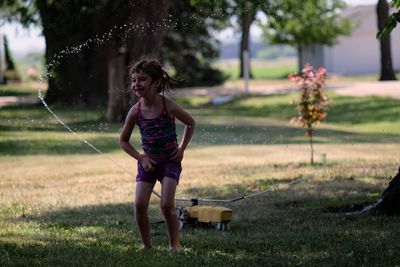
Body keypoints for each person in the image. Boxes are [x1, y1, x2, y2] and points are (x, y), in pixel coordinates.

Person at [119, 58, 196, 252]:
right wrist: (141, 158)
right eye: (134, 80)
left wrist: (182, 149)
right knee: (139, 204)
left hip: (170, 162)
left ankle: (174, 245)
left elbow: (190, 123)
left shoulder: (168, 106)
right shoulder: (135, 112)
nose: (137, 84)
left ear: (156, 82)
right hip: (148, 163)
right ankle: (146, 245)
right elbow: (123, 141)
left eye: (142, 79)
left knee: (166, 204)